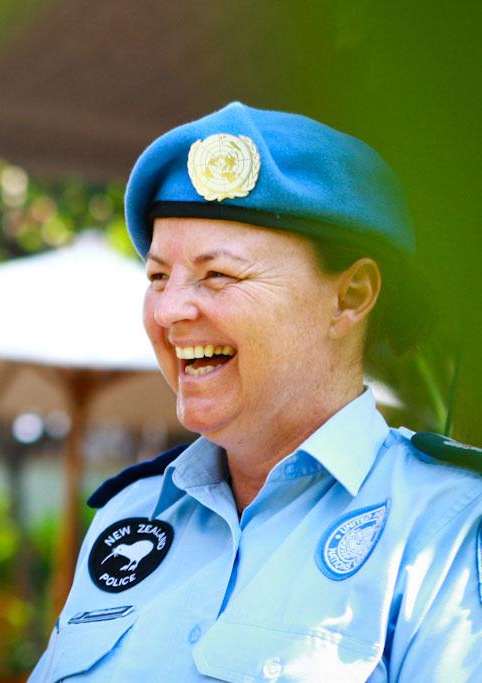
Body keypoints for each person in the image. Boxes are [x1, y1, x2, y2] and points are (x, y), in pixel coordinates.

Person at [30, 103, 482, 681]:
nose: (168, 311)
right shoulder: (129, 514)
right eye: (158, 276)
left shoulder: (447, 527)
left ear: (350, 296)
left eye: (218, 274)